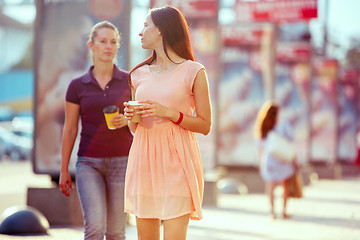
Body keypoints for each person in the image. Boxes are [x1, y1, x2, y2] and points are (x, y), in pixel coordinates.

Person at [123, 6, 212, 240]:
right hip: (144, 160)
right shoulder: (137, 75)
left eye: (145, 26)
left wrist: (171, 113)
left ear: (161, 30)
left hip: (178, 161)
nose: (140, 32)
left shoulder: (194, 71)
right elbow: (136, 129)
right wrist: (133, 118)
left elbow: (205, 125)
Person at [59, 21, 133, 240]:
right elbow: (70, 129)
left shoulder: (130, 81)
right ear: (91, 45)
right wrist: (64, 169)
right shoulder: (77, 85)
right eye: (103, 41)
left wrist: (128, 120)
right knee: (94, 228)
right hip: (88, 163)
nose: (108, 46)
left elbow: (141, 117)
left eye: (113, 42)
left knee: (116, 232)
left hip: (123, 161)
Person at [254, 101, 296, 219]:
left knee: (271, 186)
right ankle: (283, 211)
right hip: (283, 159)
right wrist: (294, 160)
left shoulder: (263, 127)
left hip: (269, 160)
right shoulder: (283, 126)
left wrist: (261, 162)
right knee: (285, 186)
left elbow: (260, 147)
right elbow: (291, 143)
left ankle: (272, 212)